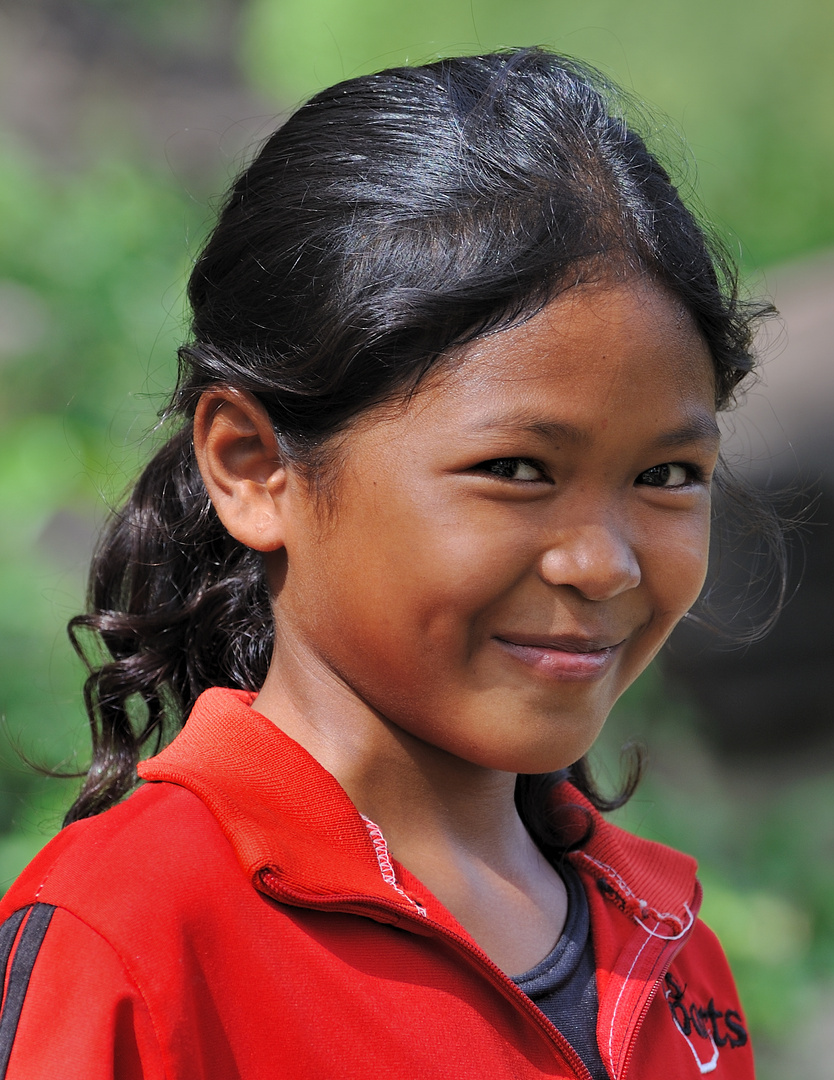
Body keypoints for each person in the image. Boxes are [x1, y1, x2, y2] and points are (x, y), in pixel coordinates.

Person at [0, 48, 768, 1079]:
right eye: (515, 469)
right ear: (253, 466)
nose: (603, 564)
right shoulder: (133, 936)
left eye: (669, 475)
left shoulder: (671, 948)